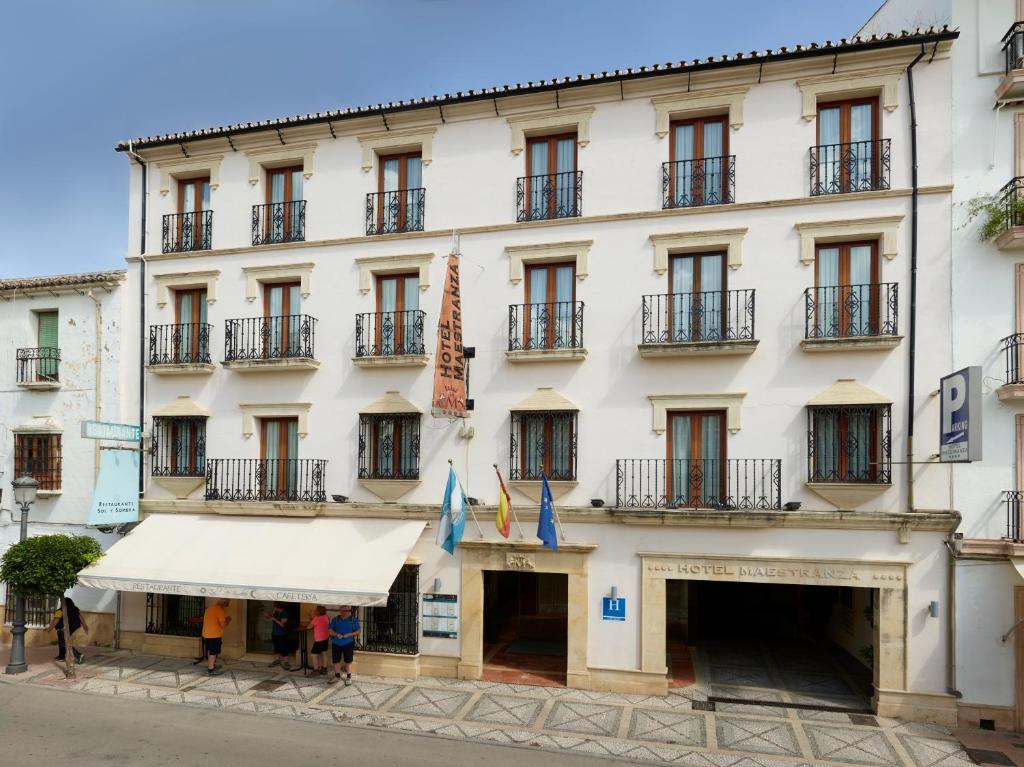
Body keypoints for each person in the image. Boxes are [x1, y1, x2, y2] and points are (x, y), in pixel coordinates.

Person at [47, 597, 88, 664]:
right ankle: (61, 656)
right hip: (73, 629)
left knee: (65, 643)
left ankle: (78, 655)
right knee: (62, 642)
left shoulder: (59, 611)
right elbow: (81, 619)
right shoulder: (75, 610)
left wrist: (49, 629)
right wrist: (85, 627)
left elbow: (55, 621)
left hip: (63, 629)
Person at [328, 605, 360, 686]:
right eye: (343, 610)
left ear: (349, 611)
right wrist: (336, 634)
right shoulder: (335, 619)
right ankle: (337, 676)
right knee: (336, 660)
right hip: (336, 643)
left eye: (346, 610)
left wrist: (349, 634)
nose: (344, 612)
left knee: (348, 661)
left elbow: (358, 631)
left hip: (348, 643)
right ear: (340, 610)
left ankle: (349, 677)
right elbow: (330, 630)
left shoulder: (353, 620)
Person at [201, 598, 231, 675]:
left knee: (209, 650)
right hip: (214, 634)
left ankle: (211, 665)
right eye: (226, 605)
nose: (225, 607)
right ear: (223, 604)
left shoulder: (210, 608)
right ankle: (210, 670)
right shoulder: (220, 611)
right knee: (213, 652)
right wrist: (228, 620)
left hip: (206, 634)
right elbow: (223, 625)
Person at [305, 605, 329, 674]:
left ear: (318, 611)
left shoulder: (316, 618)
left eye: (315, 610)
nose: (314, 611)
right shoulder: (326, 617)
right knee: (324, 653)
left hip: (319, 640)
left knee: (314, 654)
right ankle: (324, 669)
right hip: (326, 638)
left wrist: (311, 620)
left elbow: (309, 627)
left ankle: (316, 670)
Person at [268, 602, 292, 670]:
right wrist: (271, 615)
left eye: (274, 607)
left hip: (282, 633)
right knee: (276, 647)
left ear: (277, 607)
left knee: (283, 648)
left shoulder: (285, 613)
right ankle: (277, 660)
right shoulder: (276, 612)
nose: (274, 608)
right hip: (274, 633)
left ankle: (286, 662)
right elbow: (271, 618)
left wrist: (274, 618)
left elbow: (282, 624)